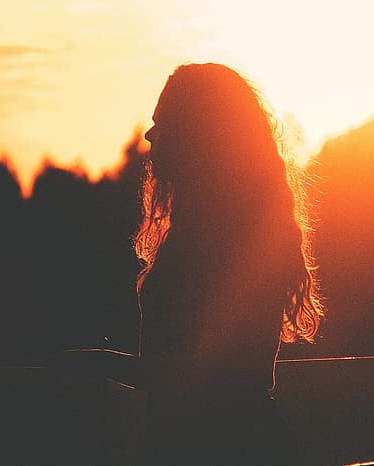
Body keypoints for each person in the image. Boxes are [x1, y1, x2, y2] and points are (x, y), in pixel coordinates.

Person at [134, 63, 324, 465]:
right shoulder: (202, 229)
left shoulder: (233, 239)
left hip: (223, 447)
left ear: (200, 136)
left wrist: (99, 368)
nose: (151, 135)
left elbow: (221, 376)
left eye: (165, 123)